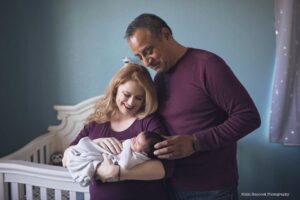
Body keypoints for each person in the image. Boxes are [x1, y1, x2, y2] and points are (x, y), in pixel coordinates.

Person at [123, 13, 261, 200]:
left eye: (148, 51)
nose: (146, 62)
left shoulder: (208, 66)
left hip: (211, 189)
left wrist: (195, 142)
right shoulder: (159, 78)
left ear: (166, 34)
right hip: (168, 183)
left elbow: (248, 117)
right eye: (139, 56)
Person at [63, 64, 171, 200]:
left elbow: (165, 168)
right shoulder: (96, 123)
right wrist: (95, 144)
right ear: (115, 89)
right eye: (126, 95)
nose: (131, 102)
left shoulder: (148, 123)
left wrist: (118, 173)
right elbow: (67, 157)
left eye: (139, 98)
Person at [64, 131, 165, 187]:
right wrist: (97, 141)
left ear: (144, 153)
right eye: (136, 137)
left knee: (83, 154)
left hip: (110, 163)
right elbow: (68, 153)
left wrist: (111, 171)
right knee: (82, 146)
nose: (133, 140)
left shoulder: (139, 157)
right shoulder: (95, 122)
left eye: (137, 142)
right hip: (103, 157)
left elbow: (124, 164)